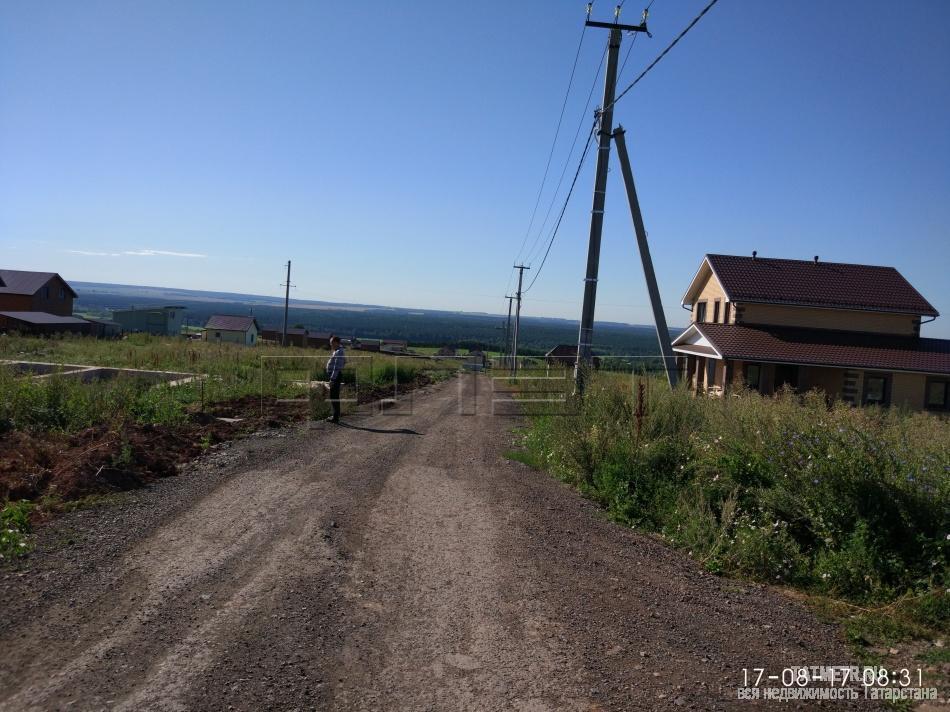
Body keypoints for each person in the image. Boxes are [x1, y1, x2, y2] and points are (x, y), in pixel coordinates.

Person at [325, 335, 346, 423]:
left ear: (337, 343)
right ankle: (335, 416)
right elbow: (344, 362)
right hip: (335, 376)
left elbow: (337, 367)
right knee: (334, 396)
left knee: (334, 396)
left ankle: (335, 417)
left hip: (335, 377)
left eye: (332, 343)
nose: (331, 345)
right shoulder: (337, 351)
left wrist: (332, 379)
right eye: (330, 343)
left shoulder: (339, 352)